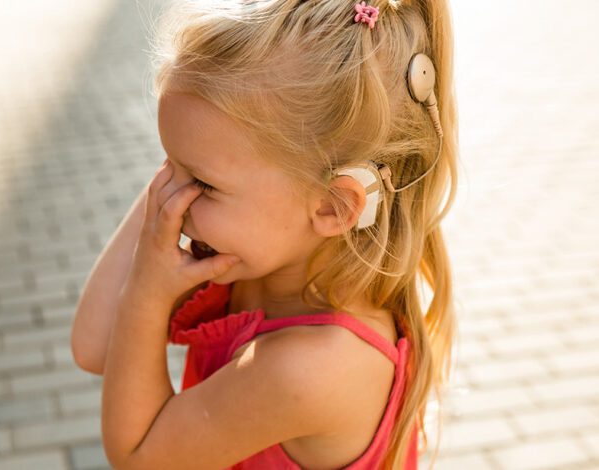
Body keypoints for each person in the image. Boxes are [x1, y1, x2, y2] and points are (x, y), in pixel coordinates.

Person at [72, 0, 458, 468]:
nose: (170, 199)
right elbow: (94, 346)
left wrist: (150, 290)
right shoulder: (255, 257)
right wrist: (190, 156)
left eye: (202, 183)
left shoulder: (316, 366)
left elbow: (137, 457)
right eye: (167, 164)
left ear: (334, 207)